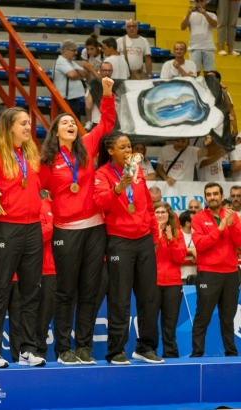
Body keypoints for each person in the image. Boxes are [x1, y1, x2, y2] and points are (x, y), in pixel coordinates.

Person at [39, 77, 116, 365]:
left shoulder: (85, 147)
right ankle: (62, 349)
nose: (71, 125)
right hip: (65, 232)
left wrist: (107, 94)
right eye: (65, 123)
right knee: (66, 292)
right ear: (55, 132)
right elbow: (31, 189)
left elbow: (106, 124)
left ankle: (83, 347)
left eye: (73, 122)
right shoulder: (47, 162)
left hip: (95, 228)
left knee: (89, 290)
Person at [0, 107, 46, 368]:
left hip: (32, 228)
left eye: (29, 123)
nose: (29, 127)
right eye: (23, 124)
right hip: (5, 227)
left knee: (31, 292)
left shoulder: (31, 155)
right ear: (9, 128)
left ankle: (28, 349)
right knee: (0, 291)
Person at [93, 131, 162, 365]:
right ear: (111, 151)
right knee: (120, 299)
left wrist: (154, 233)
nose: (128, 151)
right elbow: (100, 202)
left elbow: (147, 205)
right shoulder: (102, 174)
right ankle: (116, 351)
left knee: (149, 297)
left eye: (129, 146)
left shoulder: (138, 171)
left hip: (143, 239)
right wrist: (118, 188)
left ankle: (146, 347)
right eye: (122, 147)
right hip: (119, 240)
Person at [190, 182, 241, 357]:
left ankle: (231, 354)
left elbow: (240, 242)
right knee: (202, 317)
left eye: (215, 194)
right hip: (208, 274)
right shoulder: (197, 218)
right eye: (209, 195)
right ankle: (197, 354)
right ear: (205, 198)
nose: (212, 197)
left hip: (231, 274)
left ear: (222, 196)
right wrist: (220, 229)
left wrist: (232, 224)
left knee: (228, 319)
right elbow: (200, 244)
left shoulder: (232, 216)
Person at [154, 201, 185, 359]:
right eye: (157, 212)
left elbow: (180, 257)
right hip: (153, 283)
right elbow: (147, 258)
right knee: (150, 323)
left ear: (169, 215)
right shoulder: (148, 233)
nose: (160, 215)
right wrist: (158, 236)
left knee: (170, 325)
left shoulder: (178, 234)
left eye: (163, 212)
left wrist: (171, 239)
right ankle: (149, 353)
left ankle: (171, 356)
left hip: (173, 285)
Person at [35, 192, 56, 359]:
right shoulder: (41, 206)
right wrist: (56, 222)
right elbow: (37, 235)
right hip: (46, 270)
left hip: (67, 270)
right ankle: (38, 352)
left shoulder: (69, 205)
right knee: (42, 316)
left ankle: (63, 352)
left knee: (62, 315)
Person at [54, 40, 88, 117]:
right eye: (74, 50)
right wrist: (79, 74)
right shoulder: (61, 61)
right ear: (66, 51)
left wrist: (78, 73)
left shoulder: (71, 62)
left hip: (72, 99)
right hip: (66, 100)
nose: (76, 53)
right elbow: (72, 75)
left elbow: (85, 73)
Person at [182, 0, 217, 71]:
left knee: (209, 74)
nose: (199, 3)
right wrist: (188, 14)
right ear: (195, 2)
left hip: (208, 47)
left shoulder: (212, 15)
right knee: (194, 73)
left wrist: (205, 14)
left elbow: (215, 25)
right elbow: (183, 27)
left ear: (205, 2)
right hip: (194, 47)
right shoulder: (189, 15)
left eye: (201, 1)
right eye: (197, 1)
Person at [178, 210, 198, 280]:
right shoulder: (175, 235)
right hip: (180, 276)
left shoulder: (199, 234)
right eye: (195, 220)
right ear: (187, 223)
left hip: (196, 275)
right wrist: (191, 251)